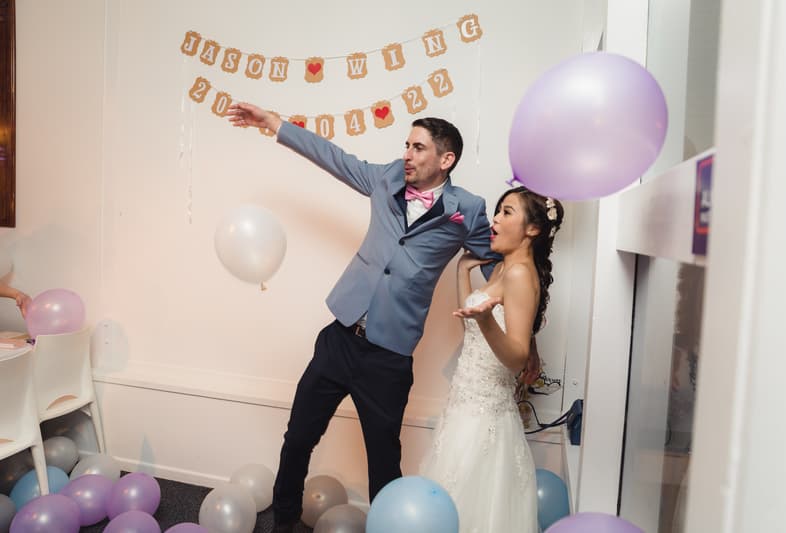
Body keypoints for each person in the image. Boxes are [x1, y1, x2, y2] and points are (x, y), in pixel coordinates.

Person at [226, 102, 523, 532]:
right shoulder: (386, 177)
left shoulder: (468, 209)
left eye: (418, 147)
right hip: (341, 336)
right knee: (298, 438)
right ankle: (284, 522)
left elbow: (496, 263)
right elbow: (336, 159)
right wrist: (275, 124)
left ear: (445, 159)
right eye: (406, 144)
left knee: (384, 460)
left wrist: (521, 309)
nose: (406, 153)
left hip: (389, 355)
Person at [419, 186, 564, 533]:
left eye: (507, 212)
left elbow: (517, 357)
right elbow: (469, 319)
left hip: (484, 415)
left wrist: (486, 320)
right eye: (498, 211)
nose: (495, 220)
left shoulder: (518, 275)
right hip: (464, 403)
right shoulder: (501, 269)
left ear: (533, 229)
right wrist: (462, 272)